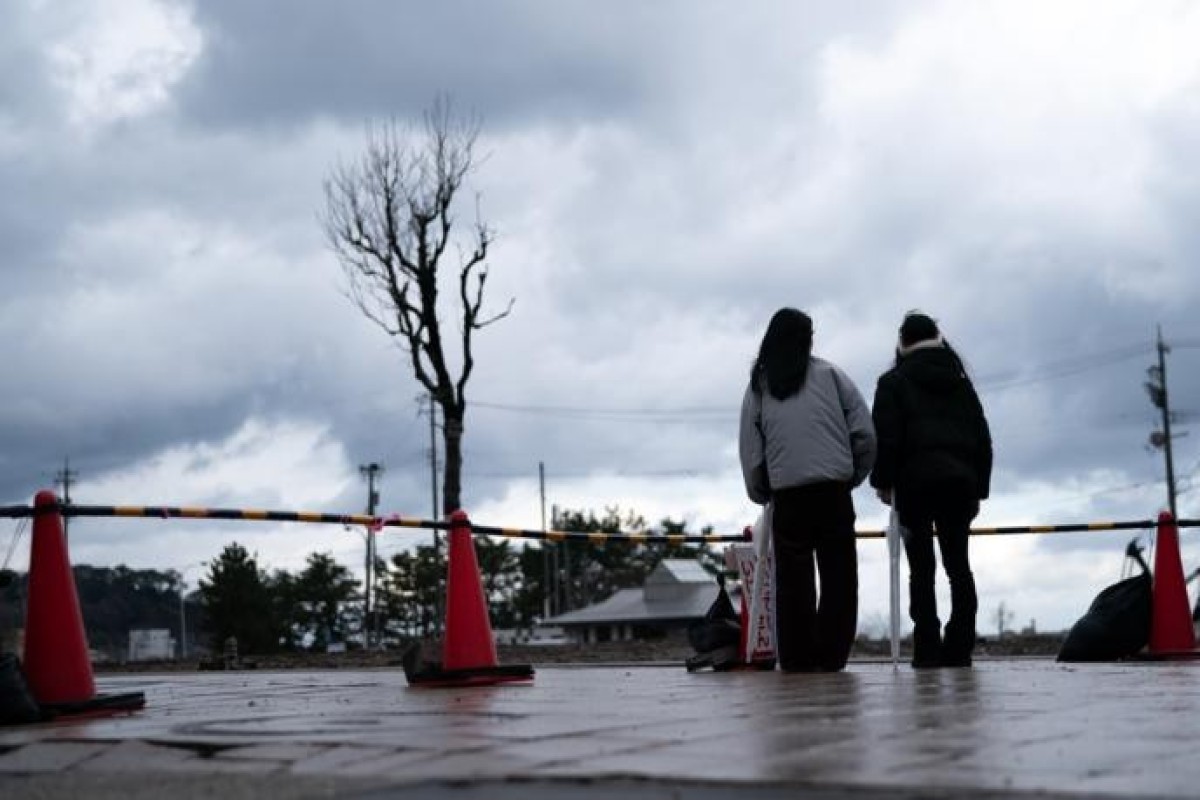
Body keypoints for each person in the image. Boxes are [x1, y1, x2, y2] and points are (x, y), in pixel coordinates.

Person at [739, 308, 876, 672]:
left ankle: (798, 658)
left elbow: (752, 450)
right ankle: (832, 657)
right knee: (840, 578)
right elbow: (865, 433)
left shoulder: (760, 386)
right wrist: (853, 475)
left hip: (788, 497)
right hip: (833, 491)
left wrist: (760, 491)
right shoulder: (831, 375)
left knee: (793, 583)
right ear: (808, 338)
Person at [870, 312, 993, 668]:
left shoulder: (892, 383)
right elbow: (982, 439)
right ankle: (960, 646)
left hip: (914, 488)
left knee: (921, 570)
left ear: (902, 343)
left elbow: (887, 440)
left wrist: (882, 483)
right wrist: (979, 489)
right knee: (959, 567)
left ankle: (926, 646)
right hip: (959, 485)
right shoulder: (960, 381)